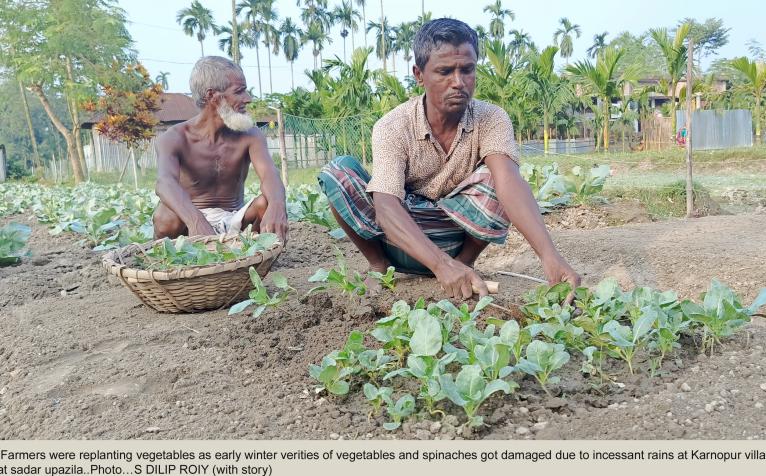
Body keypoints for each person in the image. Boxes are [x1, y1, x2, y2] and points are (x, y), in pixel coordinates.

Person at [319, 19, 580, 299]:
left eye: (467, 70)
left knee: (501, 178)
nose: (458, 82)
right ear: (419, 75)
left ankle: (464, 265)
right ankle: (378, 265)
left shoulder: (491, 118)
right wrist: (440, 265)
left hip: (455, 235)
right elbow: (385, 207)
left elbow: (508, 184)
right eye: (444, 71)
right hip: (401, 240)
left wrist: (549, 256)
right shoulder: (393, 126)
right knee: (339, 172)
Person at [152, 56, 288, 243]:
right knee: (165, 216)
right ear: (212, 96)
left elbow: (269, 175)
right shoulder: (173, 138)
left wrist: (277, 205)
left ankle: (253, 259)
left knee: (267, 203)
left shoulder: (250, 135)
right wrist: (196, 221)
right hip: (189, 223)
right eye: (239, 92)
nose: (247, 99)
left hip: (234, 220)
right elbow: (164, 183)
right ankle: (171, 263)